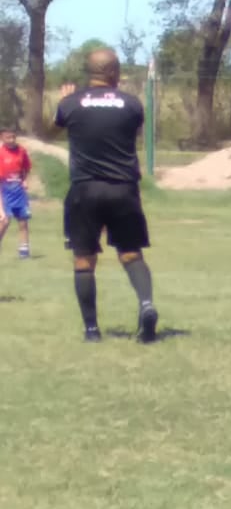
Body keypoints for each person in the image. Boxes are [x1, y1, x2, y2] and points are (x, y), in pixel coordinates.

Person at [54, 49, 159, 343]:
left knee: (84, 260)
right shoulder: (132, 104)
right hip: (123, 189)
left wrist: (64, 102)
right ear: (114, 72)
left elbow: (49, 131)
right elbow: (130, 133)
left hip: (85, 189)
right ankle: (146, 305)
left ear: (90, 72)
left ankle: (91, 330)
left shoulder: (71, 104)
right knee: (130, 253)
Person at [0, 125, 31, 258]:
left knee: (23, 221)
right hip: (4, 190)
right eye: (8, 137)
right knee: (5, 221)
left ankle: (24, 251)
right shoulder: (0, 153)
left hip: (18, 191)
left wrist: (24, 180)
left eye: (13, 137)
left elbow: (26, 167)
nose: (11, 140)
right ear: (2, 138)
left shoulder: (21, 151)